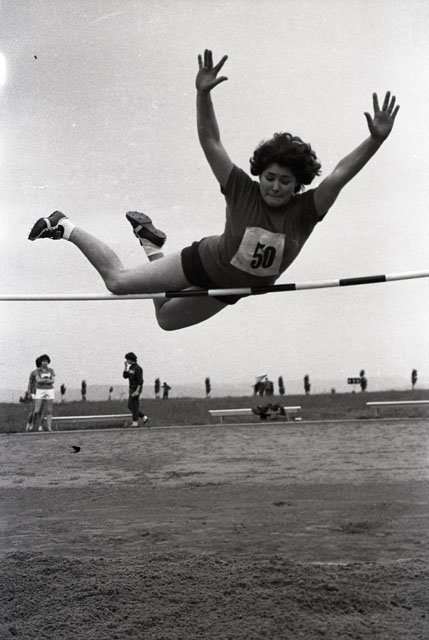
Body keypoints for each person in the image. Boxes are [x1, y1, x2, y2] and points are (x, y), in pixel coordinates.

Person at [28, 49, 400, 332]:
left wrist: (375, 140)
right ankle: (65, 226)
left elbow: (339, 175)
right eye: (270, 177)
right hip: (202, 262)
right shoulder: (242, 189)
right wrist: (202, 94)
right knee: (117, 283)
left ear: (297, 184)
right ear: (260, 174)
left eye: (285, 181)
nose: (275, 186)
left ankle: (151, 244)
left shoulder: (305, 211)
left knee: (165, 320)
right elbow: (211, 141)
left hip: (231, 290)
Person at [123, 352, 149, 427]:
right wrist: (125, 367)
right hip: (131, 388)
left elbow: (140, 381)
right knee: (130, 406)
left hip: (136, 389)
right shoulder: (131, 368)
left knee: (134, 405)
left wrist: (137, 391)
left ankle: (135, 422)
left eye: (127, 359)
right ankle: (144, 418)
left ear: (131, 359)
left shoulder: (138, 368)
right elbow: (125, 376)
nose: (127, 361)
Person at [32, 354, 55, 432]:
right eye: (43, 361)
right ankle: (33, 424)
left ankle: (49, 427)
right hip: (40, 390)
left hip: (49, 390)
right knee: (37, 410)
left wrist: (44, 380)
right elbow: (38, 380)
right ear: (41, 362)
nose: (45, 363)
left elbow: (53, 380)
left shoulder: (51, 370)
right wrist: (47, 380)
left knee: (49, 410)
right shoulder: (37, 371)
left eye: (46, 361)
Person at [25, 356, 42, 431]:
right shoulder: (33, 373)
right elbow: (30, 383)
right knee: (34, 411)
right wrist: (29, 393)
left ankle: (36, 426)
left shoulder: (44, 373)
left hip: (41, 393)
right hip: (34, 393)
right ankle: (29, 424)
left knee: (39, 411)